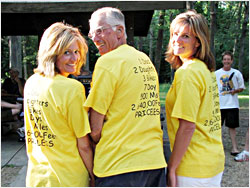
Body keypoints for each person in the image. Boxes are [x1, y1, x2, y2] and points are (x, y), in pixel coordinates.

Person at [84, 7, 167, 187]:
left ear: (120, 31)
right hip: (154, 162)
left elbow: (95, 129)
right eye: (92, 34)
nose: (95, 39)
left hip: (119, 166)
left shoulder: (108, 62)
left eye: (100, 31)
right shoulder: (145, 60)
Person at [24, 22, 94, 187]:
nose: (75, 58)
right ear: (52, 53)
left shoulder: (31, 82)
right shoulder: (72, 89)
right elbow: (83, 144)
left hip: (37, 177)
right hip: (69, 179)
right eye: (67, 52)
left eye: (77, 52)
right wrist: (93, 176)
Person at [165, 10, 225, 187]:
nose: (177, 40)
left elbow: (187, 126)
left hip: (193, 167)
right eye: (175, 34)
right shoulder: (205, 70)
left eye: (185, 36)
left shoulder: (188, 73)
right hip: (212, 160)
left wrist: (172, 168)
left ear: (198, 42)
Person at [215, 51, 245, 156]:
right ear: (222, 60)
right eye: (225, 59)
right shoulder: (216, 74)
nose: (226, 61)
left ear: (231, 61)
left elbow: (241, 88)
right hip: (219, 105)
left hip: (232, 104)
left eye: (228, 59)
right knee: (217, 127)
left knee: (232, 127)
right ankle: (217, 147)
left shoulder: (236, 73)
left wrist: (235, 91)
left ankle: (234, 147)